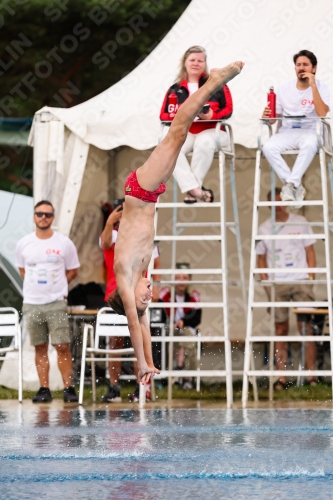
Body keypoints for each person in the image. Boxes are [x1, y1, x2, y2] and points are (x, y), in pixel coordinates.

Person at [108, 61, 244, 383]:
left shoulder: (124, 278)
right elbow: (142, 322)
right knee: (179, 136)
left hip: (140, 191)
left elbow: (132, 321)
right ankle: (209, 87)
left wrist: (140, 362)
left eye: (144, 296)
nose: (150, 293)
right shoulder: (140, 276)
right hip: (150, 195)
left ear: (125, 294)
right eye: (148, 298)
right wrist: (153, 363)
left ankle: (213, 83)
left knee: (178, 131)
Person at [16, 200, 80, 403]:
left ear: (53, 218)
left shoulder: (63, 242)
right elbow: (22, 269)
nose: (43, 217)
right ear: (34, 216)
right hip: (32, 302)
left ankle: (68, 388)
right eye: (39, 214)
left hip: (55, 302)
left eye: (48, 215)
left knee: (62, 345)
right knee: (39, 346)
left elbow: (73, 269)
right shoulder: (24, 243)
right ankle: (44, 388)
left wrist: (59, 285)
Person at [256, 188, 317, 390]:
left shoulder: (300, 221)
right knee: (280, 329)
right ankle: (281, 378)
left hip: (300, 280)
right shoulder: (264, 228)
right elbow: (260, 258)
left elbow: (310, 250)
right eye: (273, 203)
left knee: (306, 328)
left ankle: (311, 376)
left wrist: (310, 277)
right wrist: (266, 281)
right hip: (277, 283)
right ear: (268, 206)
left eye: (281, 201)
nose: (278, 206)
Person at [100, 202, 161, 402]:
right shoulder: (137, 278)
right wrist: (147, 363)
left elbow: (136, 325)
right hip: (125, 290)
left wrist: (110, 221)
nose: (150, 295)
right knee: (122, 340)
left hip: (125, 289)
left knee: (133, 331)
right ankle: (120, 384)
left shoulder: (129, 281)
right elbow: (141, 327)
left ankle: (139, 381)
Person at [160, 46, 233, 204]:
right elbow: (163, 115)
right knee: (169, 148)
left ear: (205, 63)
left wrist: (212, 115)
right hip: (187, 132)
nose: (196, 63)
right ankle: (196, 191)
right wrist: (180, 115)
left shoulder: (217, 84)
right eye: (192, 60)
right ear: (184, 63)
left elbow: (228, 109)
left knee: (204, 142)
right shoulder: (175, 89)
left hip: (213, 130)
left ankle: (192, 190)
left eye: (200, 60)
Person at [262, 49, 330, 208]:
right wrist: (266, 114)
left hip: (312, 131)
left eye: (305, 65)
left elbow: (321, 113)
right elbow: (273, 120)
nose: (301, 68)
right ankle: (294, 185)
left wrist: (313, 86)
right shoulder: (284, 89)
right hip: (288, 131)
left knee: (310, 144)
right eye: (298, 65)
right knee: (268, 147)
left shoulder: (322, 87)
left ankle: (290, 185)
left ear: (314, 68)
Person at [159, 267, 202, 390]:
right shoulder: (165, 295)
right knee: (178, 335)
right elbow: (159, 314)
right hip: (170, 329)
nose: (181, 281)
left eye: (184, 278)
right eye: (178, 278)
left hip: (188, 330)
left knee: (185, 336)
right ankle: (185, 378)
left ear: (189, 280)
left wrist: (183, 321)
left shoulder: (194, 296)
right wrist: (172, 323)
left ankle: (179, 369)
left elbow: (197, 318)